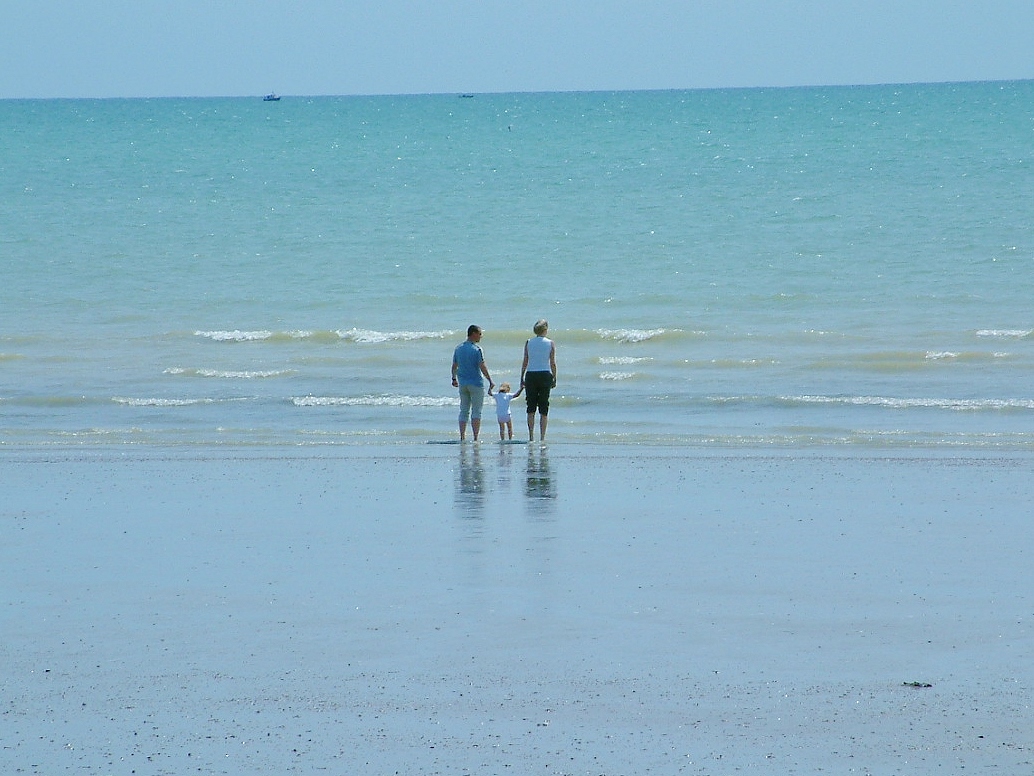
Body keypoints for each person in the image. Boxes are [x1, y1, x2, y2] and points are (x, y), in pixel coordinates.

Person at [451, 324, 494, 441]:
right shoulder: (477, 349)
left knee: (464, 410)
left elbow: (454, 365)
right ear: (474, 334)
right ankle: (475, 437)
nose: (481, 336)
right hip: (476, 383)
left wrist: (453, 378)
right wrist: (490, 380)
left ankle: (462, 436)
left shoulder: (458, 348)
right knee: (476, 411)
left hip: (463, 383)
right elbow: (482, 366)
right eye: (479, 334)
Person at [519, 319, 557, 441]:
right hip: (545, 374)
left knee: (531, 407)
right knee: (544, 407)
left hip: (531, 374)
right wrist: (554, 377)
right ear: (545, 329)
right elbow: (552, 362)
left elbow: (525, 360)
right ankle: (542, 437)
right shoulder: (550, 343)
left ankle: (531, 436)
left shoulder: (529, 342)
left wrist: (522, 376)